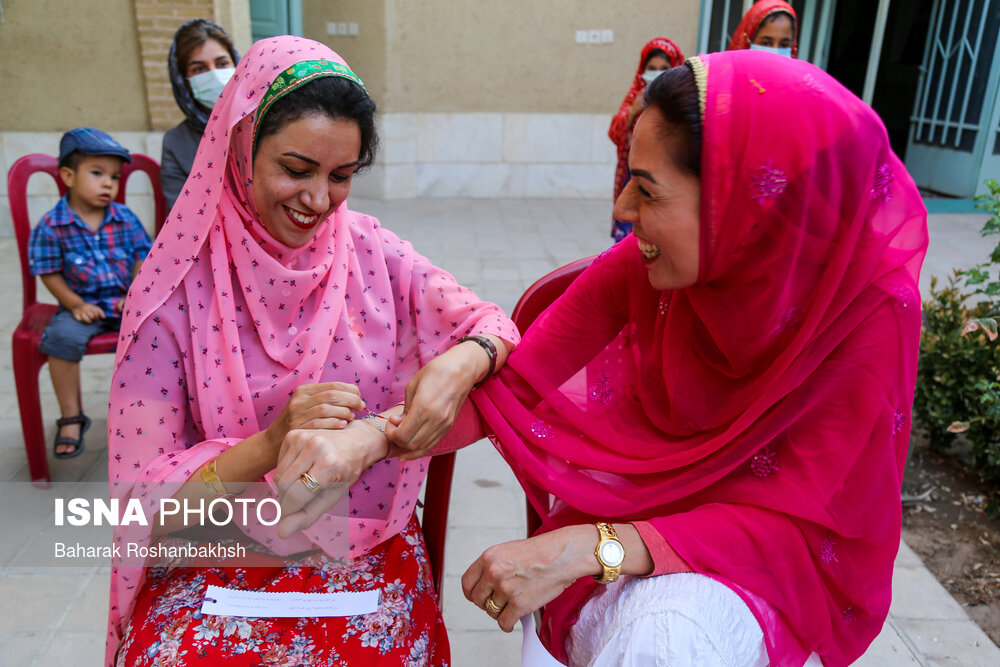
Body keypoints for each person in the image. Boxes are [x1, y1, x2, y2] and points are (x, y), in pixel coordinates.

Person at [293, 50, 928, 665]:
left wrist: (588, 548)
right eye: (293, 168)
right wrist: (364, 438)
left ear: (743, 206)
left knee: (669, 633)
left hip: (759, 571)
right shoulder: (190, 287)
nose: (621, 211)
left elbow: (805, 527)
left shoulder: (864, 312)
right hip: (222, 532)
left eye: (647, 191)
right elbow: (516, 388)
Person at [106, 36, 517, 665]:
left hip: (361, 543)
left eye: (342, 176)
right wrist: (273, 445)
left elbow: (492, 326)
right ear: (240, 150)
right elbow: (142, 511)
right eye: (296, 170)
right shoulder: (174, 291)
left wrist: (462, 360)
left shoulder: (372, 251)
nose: (318, 201)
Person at [28, 128, 152, 459]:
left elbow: (144, 254)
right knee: (61, 339)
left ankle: (148, 409)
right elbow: (48, 271)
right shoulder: (53, 225)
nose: (108, 183)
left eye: (113, 176)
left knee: (159, 332)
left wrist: (136, 294)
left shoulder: (124, 217)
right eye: (97, 174)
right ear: (68, 176)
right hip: (81, 307)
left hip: (126, 303)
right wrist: (75, 304)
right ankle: (71, 416)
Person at [608, 37, 683, 243]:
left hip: (665, 181)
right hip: (633, 177)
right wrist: (633, 112)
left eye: (664, 68)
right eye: (652, 68)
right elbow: (615, 133)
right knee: (629, 235)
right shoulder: (635, 98)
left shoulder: (682, 104)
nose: (657, 73)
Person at [161, 18, 240, 212]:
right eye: (199, 69)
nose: (213, 75)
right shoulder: (176, 143)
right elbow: (181, 217)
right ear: (184, 81)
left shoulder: (265, 122)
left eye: (222, 63)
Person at [728, 0, 798, 57]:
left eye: (784, 45)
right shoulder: (729, 73)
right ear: (748, 41)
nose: (776, 52)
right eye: (766, 43)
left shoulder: (802, 74)